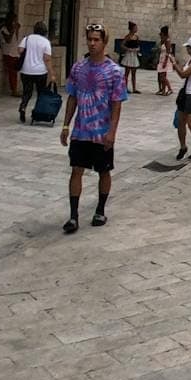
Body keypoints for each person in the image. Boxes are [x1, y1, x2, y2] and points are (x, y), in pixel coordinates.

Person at [59, 24, 126, 233]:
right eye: (89, 39)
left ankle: (100, 209)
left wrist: (112, 132)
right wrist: (65, 125)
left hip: (101, 131)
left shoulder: (115, 72)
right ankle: (73, 216)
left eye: (96, 39)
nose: (92, 43)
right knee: (76, 169)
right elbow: (72, 97)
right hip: (81, 131)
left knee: (103, 171)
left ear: (104, 42)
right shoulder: (78, 68)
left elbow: (117, 103)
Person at [17, 22, 52, 123]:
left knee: (27, 92)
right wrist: (52, 73)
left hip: (26, 70)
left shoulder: (27, 39)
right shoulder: (46, 42)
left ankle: (23, 107)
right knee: (40, 93)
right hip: (40, 72)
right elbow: (47, 59)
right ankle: (37, 112)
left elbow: (20, 50)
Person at [0, 16, 21, 98]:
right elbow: (8, 40)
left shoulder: (13, 30)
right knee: (12, 72)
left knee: (14, 72)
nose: (15, 23)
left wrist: (17, 30)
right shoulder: (3, 30)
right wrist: (13, 29)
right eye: (14, 21)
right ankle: (13, 90)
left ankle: (14, 89)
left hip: (14, 53)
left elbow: (15, 40)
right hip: (8, 54)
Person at [120, 22, 142, 94]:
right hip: (129, 55)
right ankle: (125, 88)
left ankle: (134, 88)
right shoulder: (128, 36)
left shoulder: (137, 37)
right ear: (132, 29)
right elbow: (122, 45)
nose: (136, 29)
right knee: (127, 72)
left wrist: (138, 49)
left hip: (134, 55)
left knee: (134, 73)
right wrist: (128, 49)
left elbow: (139, 46)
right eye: (135, 28)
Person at [155, 26, 174, 96]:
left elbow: (168, 52)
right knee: (160, 75)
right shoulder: (163, 40)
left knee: (163, 76)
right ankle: (162, 90)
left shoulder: (167, 41)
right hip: (161, 58)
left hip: (165, 59)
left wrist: (165, 61)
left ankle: (169, 89)